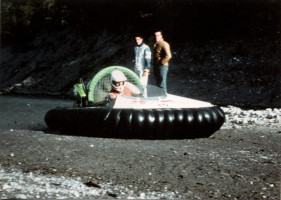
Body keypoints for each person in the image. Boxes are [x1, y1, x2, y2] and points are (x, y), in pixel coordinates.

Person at [153, 29, 172, 93]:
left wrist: (161, 62)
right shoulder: (156, 44)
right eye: (155, 35)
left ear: (161, 36)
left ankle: (163, 98)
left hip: (162, 66)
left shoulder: (164, 44)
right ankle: (159, 97)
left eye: (158, 35)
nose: (156, 37)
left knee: (162, 83)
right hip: (157, 66)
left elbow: (169, 55)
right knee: (158, 82)